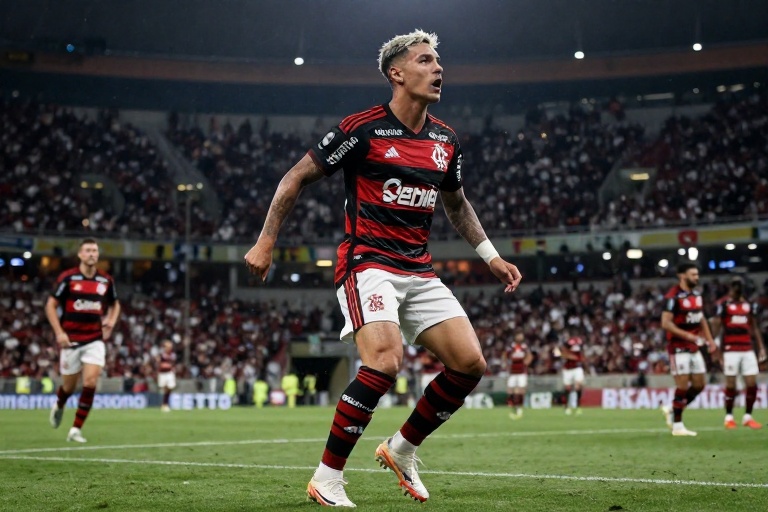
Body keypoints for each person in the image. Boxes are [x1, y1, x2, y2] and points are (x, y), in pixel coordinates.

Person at [244, 29, 522, 508]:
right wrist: (266, 240)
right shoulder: (362, 129)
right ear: (397, 73)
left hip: (419, 269)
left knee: (469, 365)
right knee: (385, 362)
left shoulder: (445, 139)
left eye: (438, 61)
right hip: (367, 263)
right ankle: (327, 478)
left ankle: (402, 448)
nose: (438, 68)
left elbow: (457, 204)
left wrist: (491, 256)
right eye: (425, 60)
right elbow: (295, 177)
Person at [45, 238, 120, 443]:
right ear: (80, 254)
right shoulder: (68, 278)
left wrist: (111, 322)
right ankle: (60, 403)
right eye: (87, 250)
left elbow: (115, 303)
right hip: (71, 340)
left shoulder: (105, 280)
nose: (92, 254)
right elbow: (50, 305)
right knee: (68, 387)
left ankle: (76, 429)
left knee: (90, 382)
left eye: (94, 250)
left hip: (94, 339)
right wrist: (59, 333)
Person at [659, 262, 719, 436]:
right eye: (693, 274)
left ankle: (672, 409)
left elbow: (701, 319)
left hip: (694, 346)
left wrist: (710, 340)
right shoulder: (673, 296)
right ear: (682, 276)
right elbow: (665, 323)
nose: (696, 277)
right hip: (678, 346)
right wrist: (688, 336)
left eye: (697, 274)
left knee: (699, 385)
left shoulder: (697, 295)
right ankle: (678, 426)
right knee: (683, 385)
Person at [710, 276, 766, 430]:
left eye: (739, 286)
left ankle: (748, 417)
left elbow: (754, 327)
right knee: (731, 384)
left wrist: (761, 347)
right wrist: (715, 347)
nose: (736, 288)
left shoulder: (748, 305)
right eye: (734, 286)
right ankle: (729, 417)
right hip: (730, 350)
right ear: (730, 287)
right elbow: (717, 326)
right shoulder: (724, 305)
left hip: (747, 348)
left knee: (751, 383)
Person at [503, 330, 533, 419]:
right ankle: (514, 406)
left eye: (521, 336)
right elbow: (505, 355)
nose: (520, 337)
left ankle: (519, 407)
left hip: (521, 372)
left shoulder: (524, 347)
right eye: (519, 336)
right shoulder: (511, 347)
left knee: (520, 390)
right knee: (510, 391)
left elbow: (530, 356)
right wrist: (505, 364)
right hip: (512, 372)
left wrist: (526, 363)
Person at [559, 333, 585, 415]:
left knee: (578, 386)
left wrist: (580, 359)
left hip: (577, 367)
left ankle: (578, 406)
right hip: (568, 369)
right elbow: (561, 353)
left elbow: (581, 353)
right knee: (567, 388)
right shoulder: (566, 342)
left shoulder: (580, 341)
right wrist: (569, 356)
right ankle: (566, 406)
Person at [156, 339, 177, 412]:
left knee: (170, 387)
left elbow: (173, 364)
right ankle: (164, 404)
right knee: (163, 388)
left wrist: (168, 366)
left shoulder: (173, 355)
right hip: (162, 373)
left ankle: (165, 403)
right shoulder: (161, 354)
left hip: (169, 373)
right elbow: (159, 363)